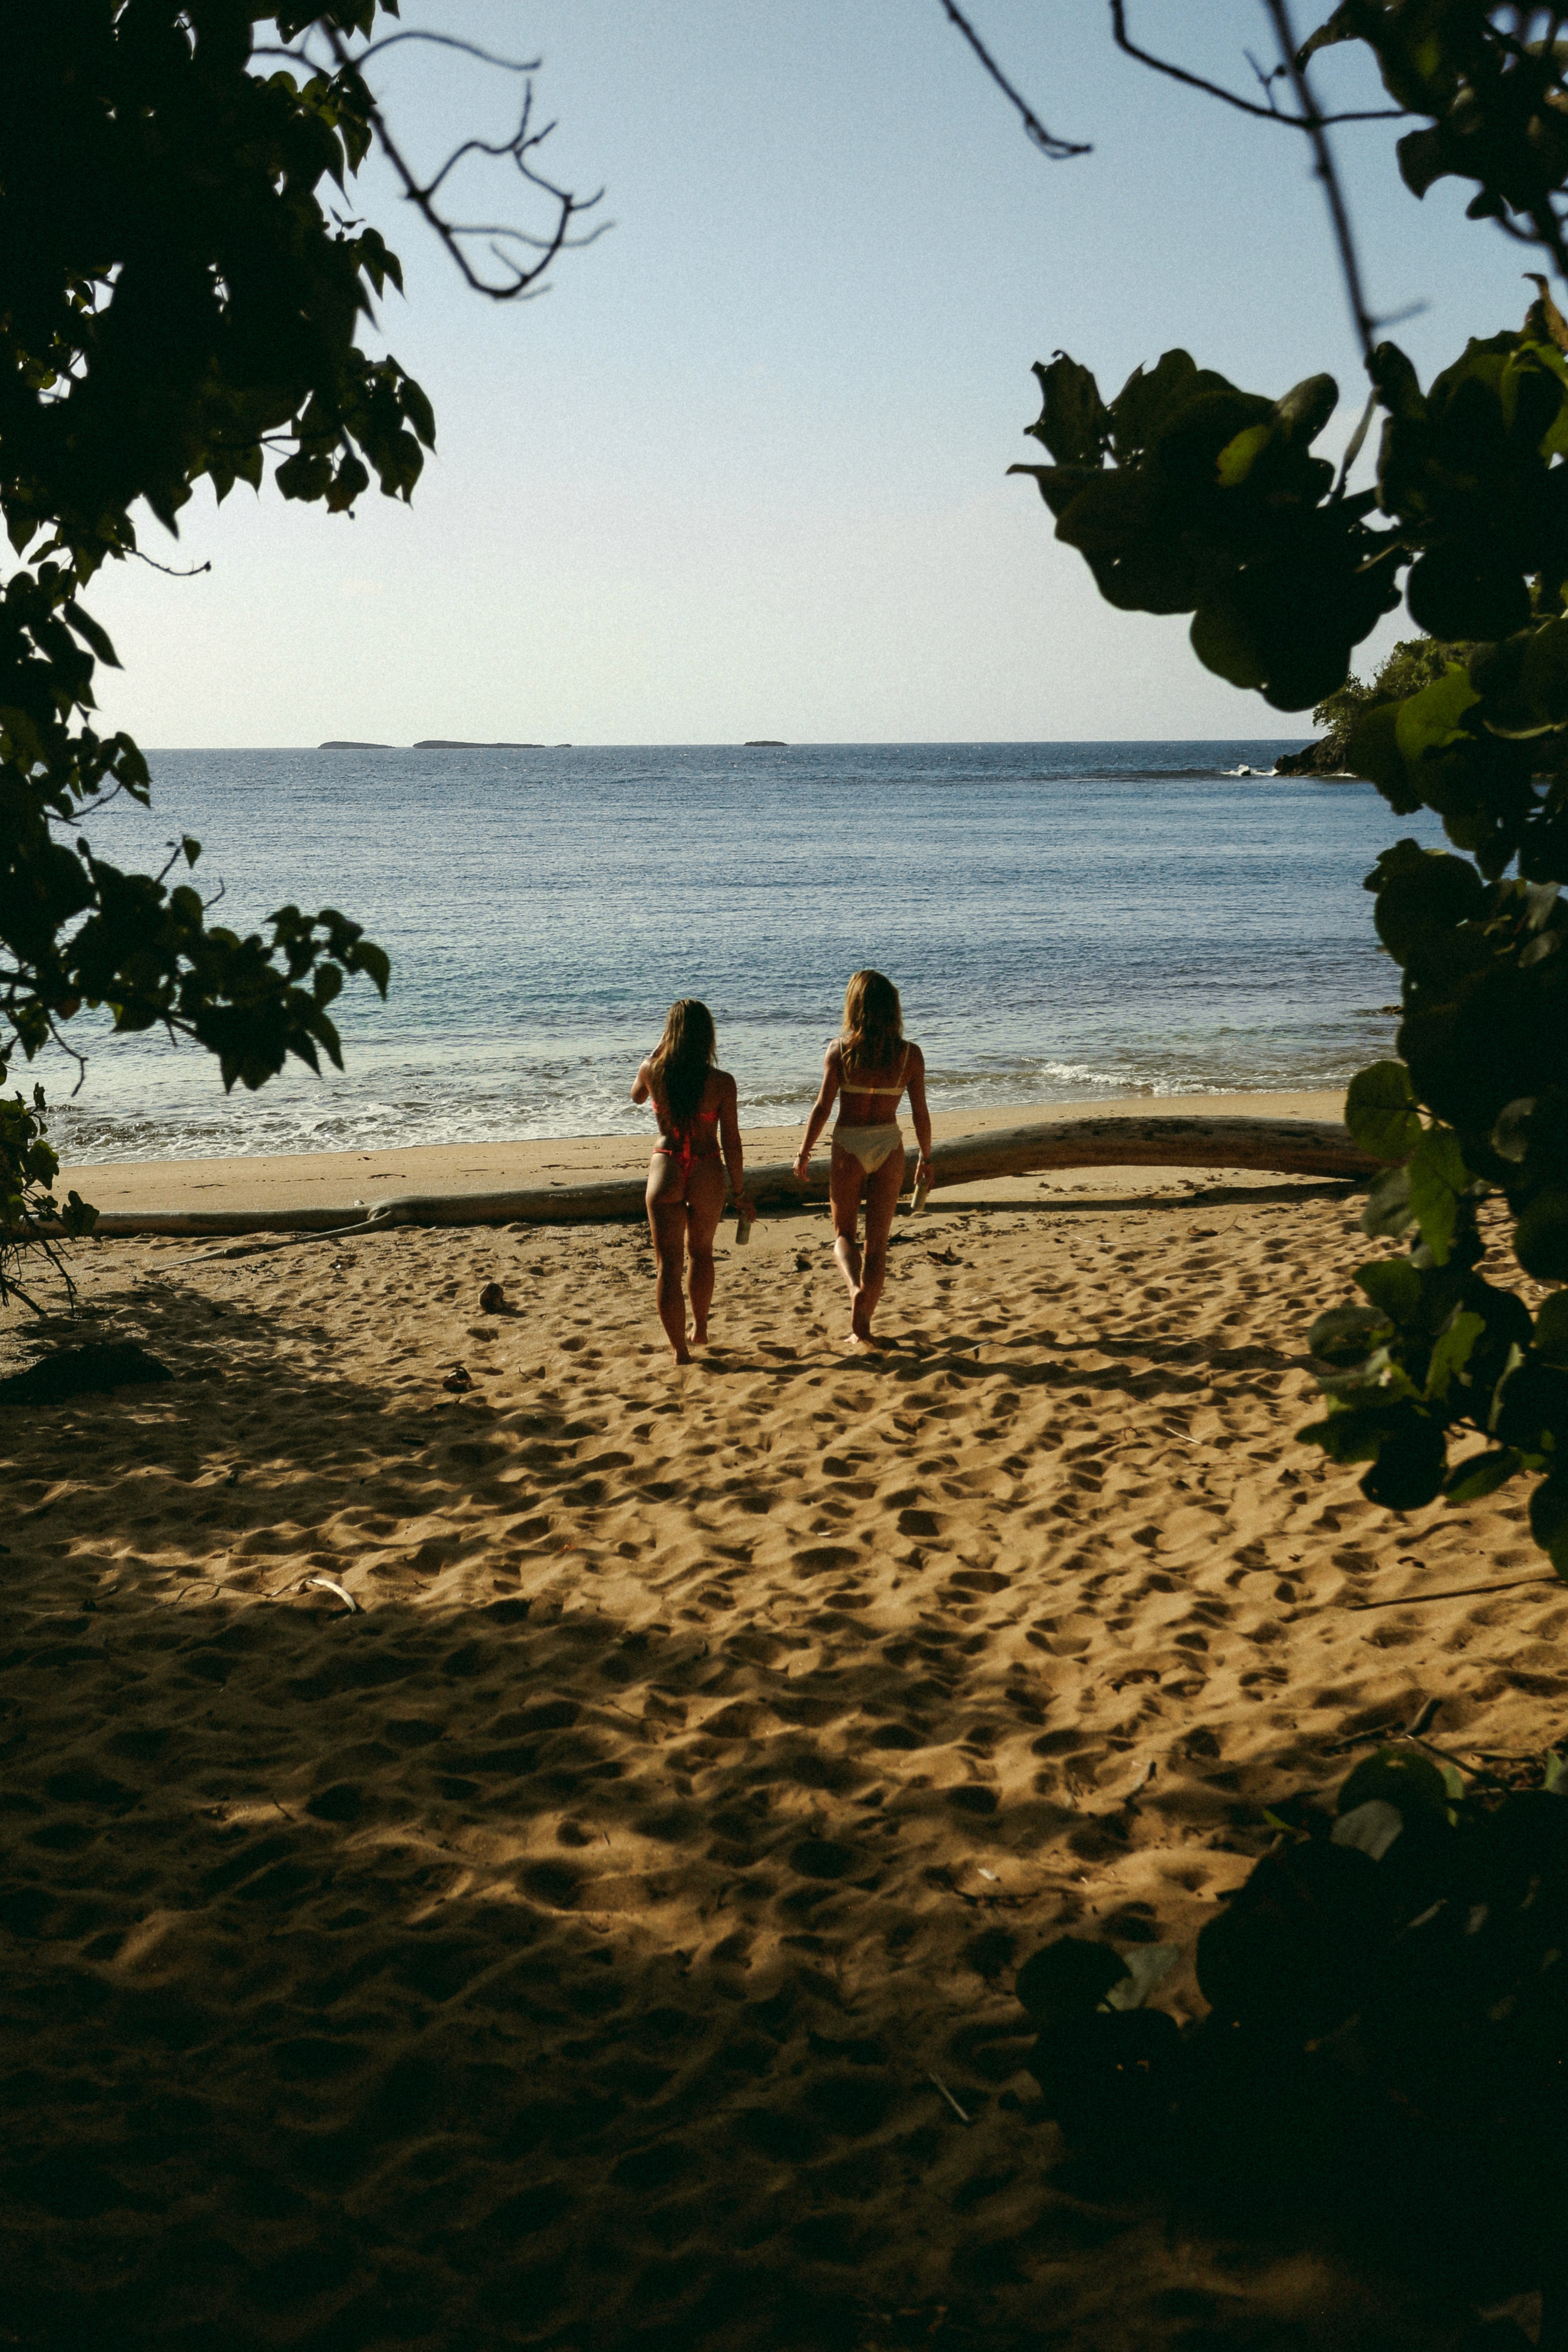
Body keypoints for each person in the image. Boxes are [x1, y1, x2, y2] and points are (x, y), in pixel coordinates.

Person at [794, 969, 932, 1349]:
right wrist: (926, 1155)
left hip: (849, 1145)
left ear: (854, 1006)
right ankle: (863, 1326)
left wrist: (804, 1151)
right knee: (878, 1245)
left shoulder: (839, 1050)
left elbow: (823, 1107)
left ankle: (854, 1288)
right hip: (889, 1144)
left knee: (843, 1235)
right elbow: (920, 1112)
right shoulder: (909, 1055)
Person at [633, 999, 751, 1364]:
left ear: (671, 1034)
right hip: (705, 1166)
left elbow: (636, 1096)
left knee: (668, 1264)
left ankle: (680, 1351)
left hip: (666, 1164)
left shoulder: (653, 1071)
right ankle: (699, 1327)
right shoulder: (720, 1083)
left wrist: (658, 1047)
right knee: (701, 1254)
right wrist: (741, 1191)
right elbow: (731, 1141)